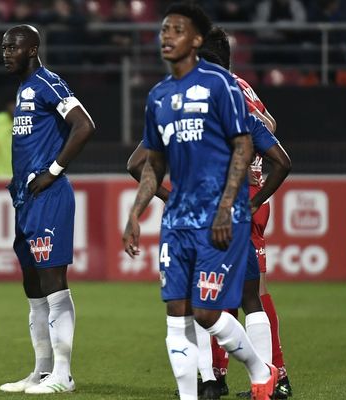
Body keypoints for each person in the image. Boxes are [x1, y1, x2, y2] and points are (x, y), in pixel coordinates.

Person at [122, 3, 278, 400]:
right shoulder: (160, 97)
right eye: (163, 32)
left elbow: (256, 144)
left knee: (211, 310)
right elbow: (147, 162)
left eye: (175, 32)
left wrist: (231, 205)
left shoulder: (227, 89)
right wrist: (136, 213)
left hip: (222, 216)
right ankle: (203, 387)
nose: (165, 39)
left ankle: (262, 373)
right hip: (179, 221)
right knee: (178, 314)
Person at [0, 24, 95, 394]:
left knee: (55, 286)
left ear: (32, 49)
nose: (6, 52)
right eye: (4, 47)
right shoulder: (24, 89)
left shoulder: (48, 82)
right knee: (34, 289)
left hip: (50, 197)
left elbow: (84, 125)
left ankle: (63, 374)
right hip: (26, 200)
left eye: (13, 47)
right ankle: (40, 372)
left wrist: (53, 171)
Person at [198, 27, 293, 400]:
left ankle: (275, 377)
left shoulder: (223, 89)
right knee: (232, 289)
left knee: (244, 290)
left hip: (240, 193)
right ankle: (221, 376)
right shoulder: (242, 85)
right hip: (249, 189)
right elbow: (269, 125)